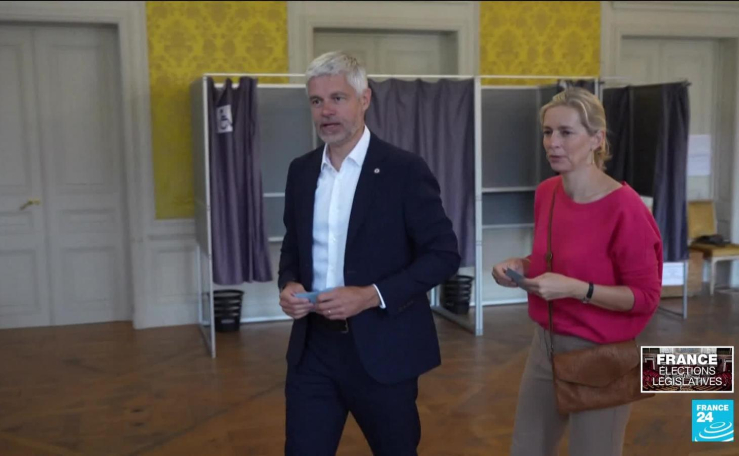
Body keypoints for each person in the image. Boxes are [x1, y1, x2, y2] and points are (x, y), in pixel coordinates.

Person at [277, 51, 460, 456]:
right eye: (316, 101)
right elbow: (293, 246)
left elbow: (444, 254)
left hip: (384, 349)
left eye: (337, 98)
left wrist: (370, 295)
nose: (326, 111)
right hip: (312, 349)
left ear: (364, 99)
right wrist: (288, 283)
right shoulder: (301, 171)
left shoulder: (404, 170)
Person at [492, 87, 663, 456]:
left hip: (602, 356)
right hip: (545, 346)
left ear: (596, 139)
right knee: (526, 450)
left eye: (566, 132)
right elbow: (557, 260)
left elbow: (646, 297)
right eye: (547, 132)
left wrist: (577, 289)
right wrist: (521, 266)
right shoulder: (547, 192)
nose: (553, 143)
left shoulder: (626, 208)